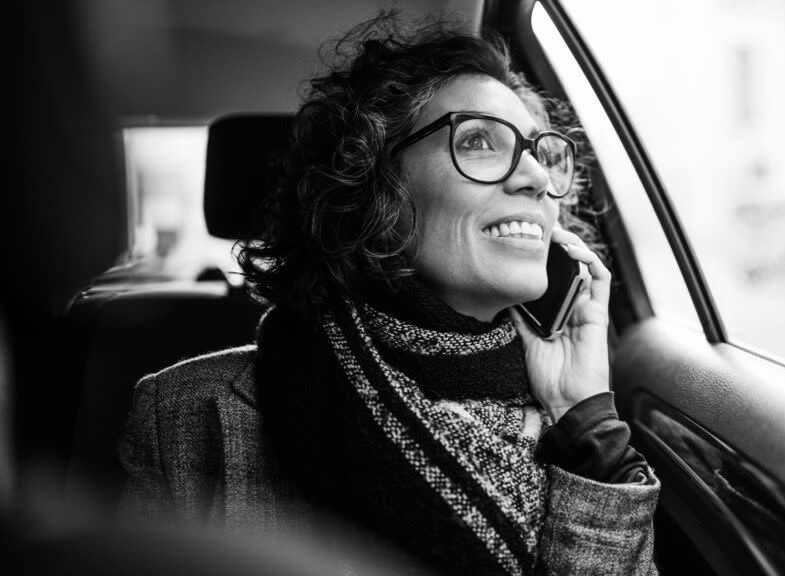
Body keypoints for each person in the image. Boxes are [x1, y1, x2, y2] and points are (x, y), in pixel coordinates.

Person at [119, 15, 660, 575]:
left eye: (540, 155)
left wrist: (584, 421)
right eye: (478, 141)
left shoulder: (582, 433)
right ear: (376, 185)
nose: (536, 179)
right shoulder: (187, 412)